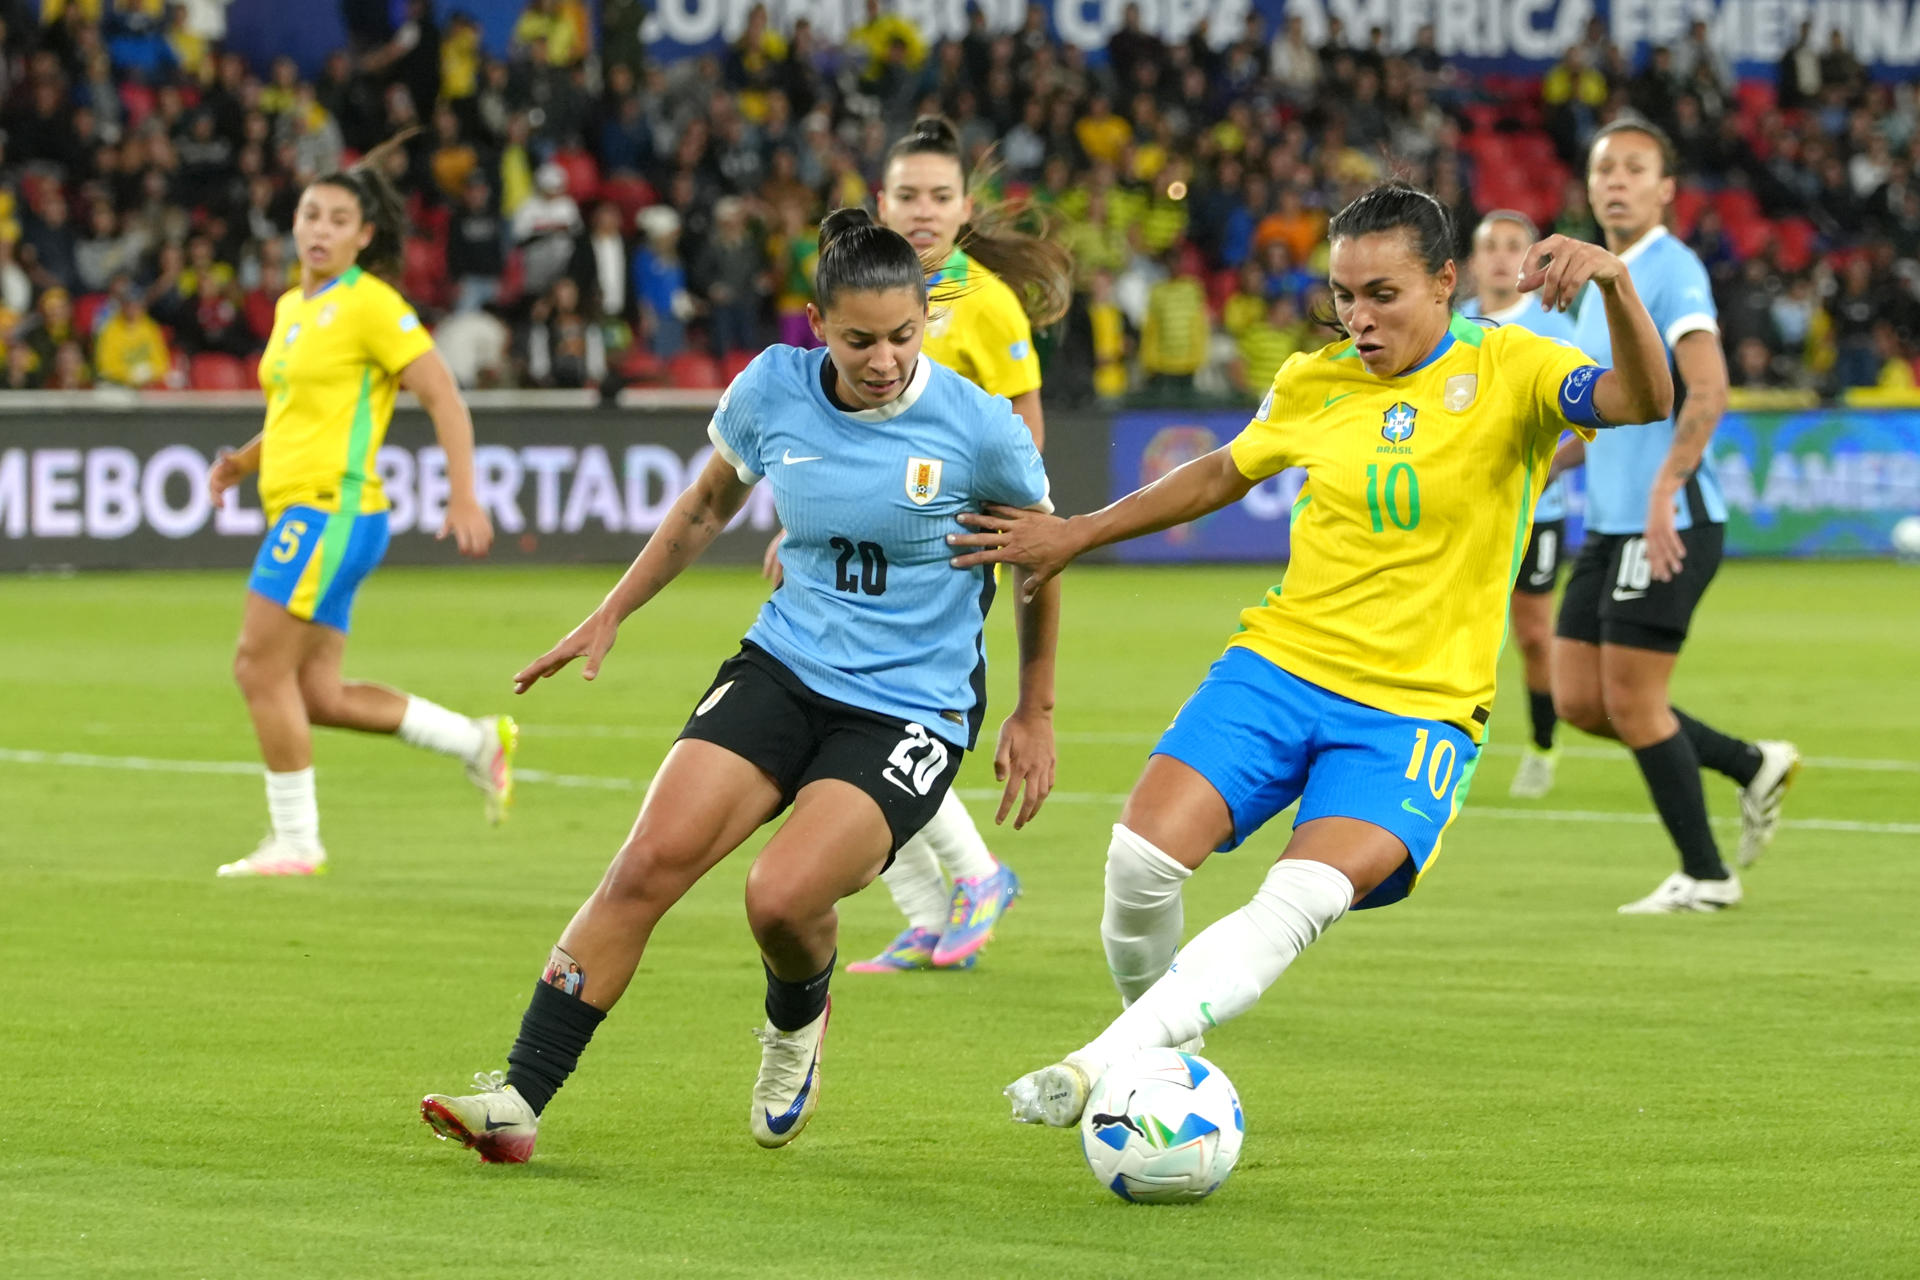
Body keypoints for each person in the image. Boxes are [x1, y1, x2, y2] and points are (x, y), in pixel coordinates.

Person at [944, 181, 1674, 1127]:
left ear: (1446, 283)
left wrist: (1617, 287)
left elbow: (1645, 399)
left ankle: (1097, 1068)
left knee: (1295, 902)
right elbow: (1217, 472)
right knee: (1136, 865)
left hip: (1417, 710)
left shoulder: (1516, 368)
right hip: (1280, 670)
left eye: (1383, 295)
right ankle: (1158, 1050)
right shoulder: (1312, 381)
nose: (1357, 319)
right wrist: (1077, 532)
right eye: (1343, 295)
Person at [419, 209, 1062, 1163]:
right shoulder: (774, 387)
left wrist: (1033, 708)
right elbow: (704, 506)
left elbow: (1041, 561)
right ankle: (517, 1099)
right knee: (644, 866)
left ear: (926, 316)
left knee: (779, 898)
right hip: (784, 666)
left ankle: (797, 1025)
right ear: (816, 324)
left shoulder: (978, 428)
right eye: (857, 340)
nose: (882, 359)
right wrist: (611, 612)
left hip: (909, 706)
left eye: (901, 335)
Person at [764, 115, 1073, 975]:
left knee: (869, 708)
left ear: (966, 206)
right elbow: (832, 434)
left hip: (945, 540)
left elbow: (1023, 429)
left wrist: (1014, 535)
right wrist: (804, 527)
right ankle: (928, 905)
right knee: (834, 714)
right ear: (880, 201)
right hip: (867, 534)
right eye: (908, 195)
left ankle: (974, 878)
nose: (925, 211)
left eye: (941, 196)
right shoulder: (861, 288)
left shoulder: (987, 299)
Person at [205, 135, 516, 879]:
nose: (318, 229)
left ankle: (295, 842)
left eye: (337, 219)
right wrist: (244, 462)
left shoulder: (372, 306)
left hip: (331, 511)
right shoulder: (291, 306)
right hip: (304, 510)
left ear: (364, 235)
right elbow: (294, 411)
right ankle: (478, 742)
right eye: (310, 214)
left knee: (256, 666)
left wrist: (463, 491)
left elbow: (441, 392)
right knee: (314, 693)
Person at [1550, 120, 1800, 915]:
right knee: (1578, 702)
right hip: (1612, 525)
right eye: (1605, 170)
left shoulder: (1672, 269)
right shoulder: (1601, 287)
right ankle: (1749, 762)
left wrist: (1665, 490)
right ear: (1590, 190)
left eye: (1635, 169)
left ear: (1665, 191)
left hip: (1671, 518)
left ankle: (1706, 874)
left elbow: (1710, 389)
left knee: (1630, 702)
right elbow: (1602, 421)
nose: (1617, 181)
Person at [1460, 210, 1581, 799]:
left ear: (1533, 258)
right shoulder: (1449, 326)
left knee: (1533, 635)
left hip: (1536, 512)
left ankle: (1542, 746)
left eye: (1516, 245)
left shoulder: (1555, 324)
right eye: (1493, 246)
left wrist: (1544, 468)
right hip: (1463, 512)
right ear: (1474, 260)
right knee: (1458, 628)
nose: (1504, 256)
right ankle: (1450, 741)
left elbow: (1596, 422)